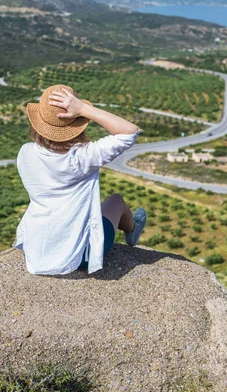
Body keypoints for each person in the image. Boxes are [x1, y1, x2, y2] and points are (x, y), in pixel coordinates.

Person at [14, 84, 147, 275]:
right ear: (77, 123)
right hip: (80, 256)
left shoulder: (25, 152)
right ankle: (132, 230)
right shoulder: (83, 157)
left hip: (36, 252)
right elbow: (129, 131)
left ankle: (132, 229)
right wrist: (84, 109)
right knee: (116, 200)